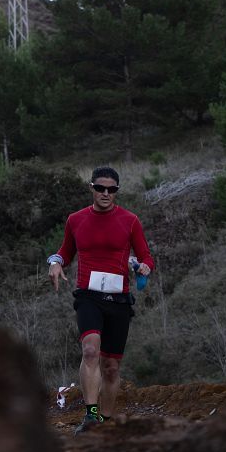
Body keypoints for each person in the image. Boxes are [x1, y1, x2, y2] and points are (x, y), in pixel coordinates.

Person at [48, 166, 155, 435]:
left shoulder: (130, 220)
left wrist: (145, 268)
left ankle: (105, 423)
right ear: (91, 188)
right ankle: (91, 416)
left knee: (111, 367)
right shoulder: (76, 219)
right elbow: (65, 251)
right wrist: (55, 262)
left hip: (118, 299)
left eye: (112, 189)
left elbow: (147, 257)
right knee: (90, 351)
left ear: (117, 191)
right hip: (88, 296)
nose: (106, 193)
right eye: (100, 188)